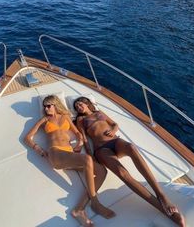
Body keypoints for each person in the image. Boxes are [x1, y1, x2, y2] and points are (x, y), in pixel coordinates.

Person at [74, 97, 186, 227]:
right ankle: (165, 211)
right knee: (122, 173)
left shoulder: (99, 112)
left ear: (87, 103)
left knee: (132, 147)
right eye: (76, 107)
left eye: (80, 103)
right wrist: (90, 154)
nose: (78, 107)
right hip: (102, 149)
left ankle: (162, 196)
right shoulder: (81, 120)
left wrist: (114, 131)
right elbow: (85, 139)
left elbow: (114, 124)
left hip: (115, 141)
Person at [24, 95, 115, 227]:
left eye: (48, 105)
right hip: (55, 153)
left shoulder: (65, 117)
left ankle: (79, 209)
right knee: (87, 159)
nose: (46, 108)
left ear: (55, 105)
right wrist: (38, 149)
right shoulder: (44, 120)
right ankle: (95, 203)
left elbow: (78, 133)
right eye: (44, 106)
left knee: (102, 171)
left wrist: (79, 144)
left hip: (69, 154)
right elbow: (27, 137)